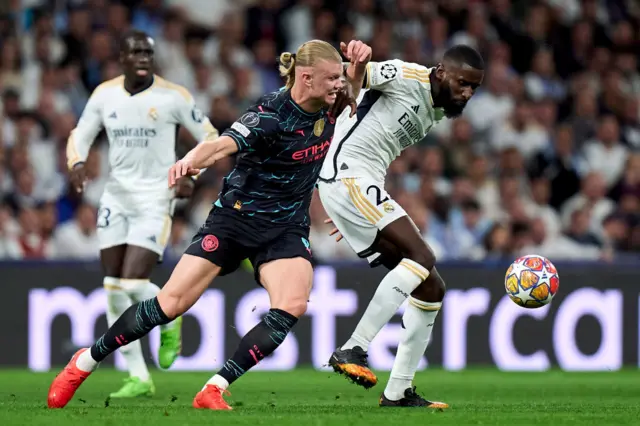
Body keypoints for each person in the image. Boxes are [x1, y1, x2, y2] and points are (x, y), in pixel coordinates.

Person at [48, 38, 372, 410]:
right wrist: (190, 160)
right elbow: (221, 144)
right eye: (332, 77)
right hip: (234, 220)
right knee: (168, 305)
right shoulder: (270, 116)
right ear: (305, 76)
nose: (339, 84)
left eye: (340, 77)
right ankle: (84, 362)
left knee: (293, 304)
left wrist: (358, 66)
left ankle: (214, 389)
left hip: (285, 228)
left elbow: (354, 88)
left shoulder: (334, 100)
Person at [317, 45, 484, 407]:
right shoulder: (405, 76)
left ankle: (398, 392)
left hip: (357, 185)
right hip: (349, 175)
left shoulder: (437, 110)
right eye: (462, 83)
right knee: (421, 254)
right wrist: (357, 63)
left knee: (431, 288)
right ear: (441, 71)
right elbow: (350, 80)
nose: (467, 93)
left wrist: (349, 210)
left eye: (474, 88)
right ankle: (353, 347)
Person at [64, 30, 219, 398]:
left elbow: (210, 136)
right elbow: (80, 132)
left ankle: (170, 311)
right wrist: (76, 161)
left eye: (148, 51)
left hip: (156, 198)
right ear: (121, 57)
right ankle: (138, 375)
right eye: (135, 51)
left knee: (132, 285)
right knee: (113, 288)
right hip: (116, 197)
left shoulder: (173, 96)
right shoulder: (105, 94)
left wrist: (190, 173)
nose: (143, 57)